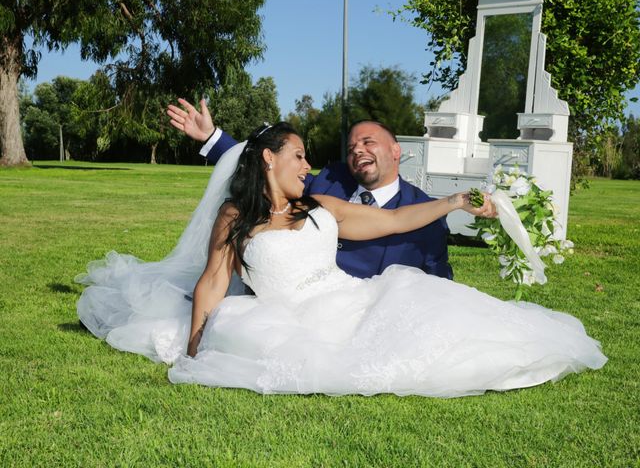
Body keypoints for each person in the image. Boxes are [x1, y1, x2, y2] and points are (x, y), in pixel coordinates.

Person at [77, 122, 606, 397]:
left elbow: (397, 220)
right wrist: (193, 349)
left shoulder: (321, 205)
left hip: (351, 296)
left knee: (439, 318)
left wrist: (456, 202)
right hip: (293, 318)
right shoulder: (237, 218)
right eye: (299, 156)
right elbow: (214, 281)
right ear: (268, 159)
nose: (308, 166)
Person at [166, 99, 453, 280]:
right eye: (352, 147)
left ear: (396, 150)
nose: (357, 151)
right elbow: (275, 171)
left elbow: (438, 282)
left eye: (368, 142)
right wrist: (212, 138)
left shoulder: (425, 212)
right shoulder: (330, 180)